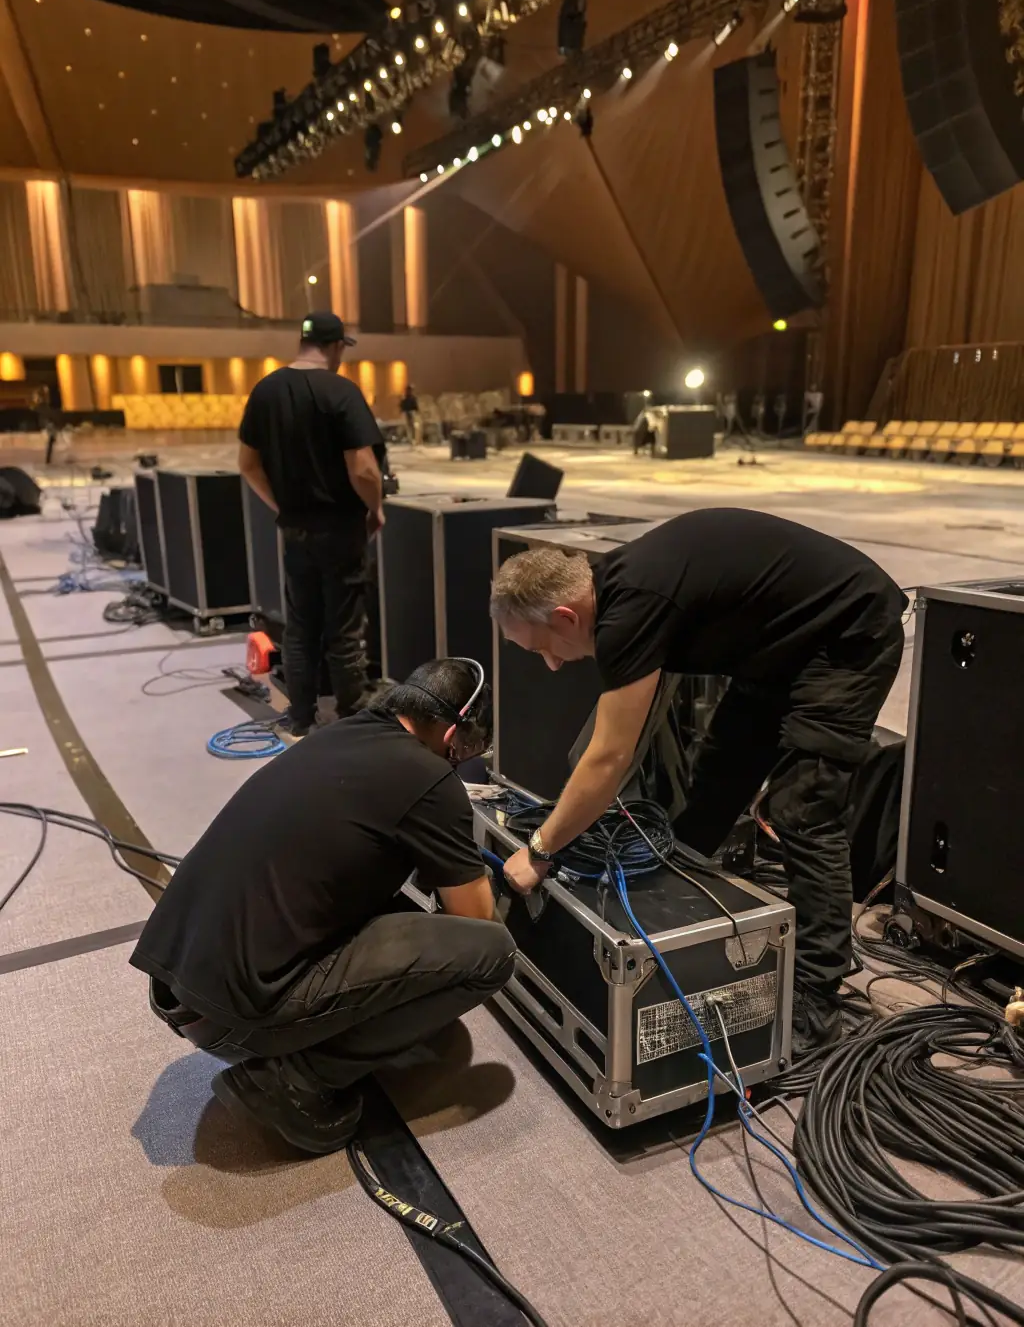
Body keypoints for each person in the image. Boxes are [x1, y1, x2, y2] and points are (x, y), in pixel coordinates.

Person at [489, 508, 907, 1055]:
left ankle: (817, 992)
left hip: (848, 638)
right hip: (780, 650)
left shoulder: (631, 608)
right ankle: (683, 926)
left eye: (540, 647)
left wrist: (542, 848)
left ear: (566, 616)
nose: (549, 664)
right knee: (714, 782)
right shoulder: (620, 590)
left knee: (802, 811)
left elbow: (609, 758)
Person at [131, 658, 515, 1155]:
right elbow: (474, 919)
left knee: (399, 911)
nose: (460, 759)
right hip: (234, 1018)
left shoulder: (341, 735)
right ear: (451, 731)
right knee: (492, 952)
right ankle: (295, 1079)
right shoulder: (429, 777)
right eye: (464, 748)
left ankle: (295, 1046)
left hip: (180, 984)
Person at [238, 311, 385, 737]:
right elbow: (364, 470)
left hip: (295, 529)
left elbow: (248, 465)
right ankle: (352, 716)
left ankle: (300, 717)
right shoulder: (341, 391)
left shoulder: (265, 390)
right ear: (336, 346)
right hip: (340, 527)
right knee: (345, 628)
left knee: (300, 625)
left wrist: (282, 503)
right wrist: (374, 510)